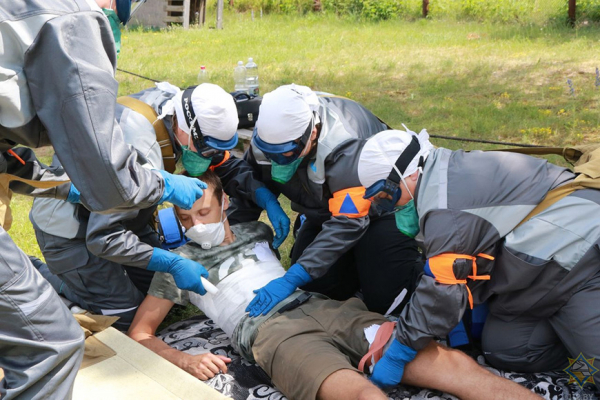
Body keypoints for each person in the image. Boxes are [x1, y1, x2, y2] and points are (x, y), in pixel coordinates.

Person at [128, 171, 540, 400]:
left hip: (326, 307)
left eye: (203, 213)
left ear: (225, 204)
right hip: (271, 335)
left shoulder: (255, 231)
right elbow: (140, 333)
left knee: (447, 364)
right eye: (185, 220)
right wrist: (183, 359)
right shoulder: (176, 265)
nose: (197, 226)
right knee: (361, 396)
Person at [0, 1, 205, 398]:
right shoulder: (70, 19)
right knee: (54, 343)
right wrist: (160, 185)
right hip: (73, 238)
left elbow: (9, 155)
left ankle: (46, 282)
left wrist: (57, 183)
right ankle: (60, 285)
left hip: (87, 222)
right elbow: (105, 217)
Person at [356, 128, 600, 391]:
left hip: (578, 265)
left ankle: (584, 349)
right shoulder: (441, 172)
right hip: (534, 282)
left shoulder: (446, 213)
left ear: (410, 174)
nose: (389, 206)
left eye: (387, 195)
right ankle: (574, 338)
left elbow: (440, 294)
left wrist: (398, 353)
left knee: (593, 372)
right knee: (507, 351)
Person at [30, 82, 287, 331]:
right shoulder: (137, 146)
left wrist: (264, 196)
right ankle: (40, 277)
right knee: (124, 320)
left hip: (125, 216)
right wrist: (172, 264)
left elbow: (224, 163)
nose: (209, 158)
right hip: (71, 230)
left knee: (163, 295)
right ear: (186, 130)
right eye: (206, 150)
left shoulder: (178, 111)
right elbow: (103, 237)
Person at [236, 84, 422, 318]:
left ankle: (403, 268)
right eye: (268, 152)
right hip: (326, 211)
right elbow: (249, 182)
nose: (275, 161)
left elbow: (347, 223)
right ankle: (355, 269)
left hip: (384, 209)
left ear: (311, 133)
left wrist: (293, 276)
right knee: (316, 289)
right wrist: (258, 203)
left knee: (385, 301)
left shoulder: (348, 149)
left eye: (284, 154)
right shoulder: (269, 136)